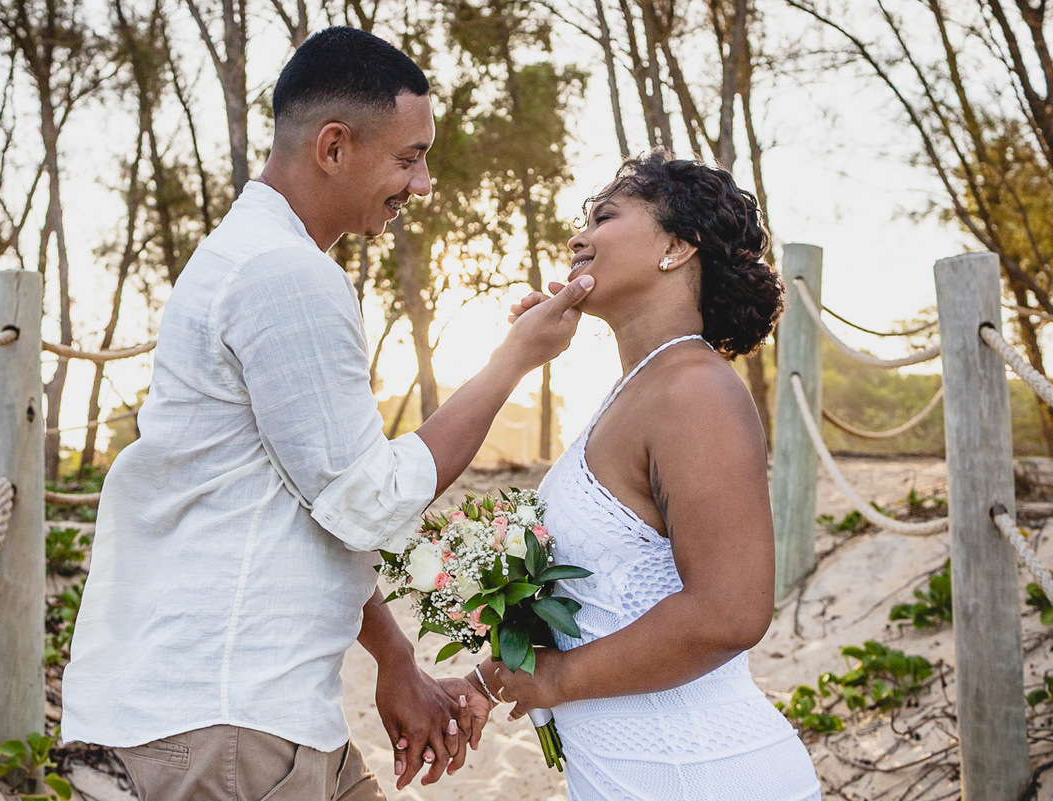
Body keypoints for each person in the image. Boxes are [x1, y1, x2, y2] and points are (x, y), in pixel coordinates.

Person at [61, 26, 594, 801]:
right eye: (410, 157)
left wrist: (395, 656)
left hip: (261, 710)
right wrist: (514, 358)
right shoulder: (284, 274)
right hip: (227, 719)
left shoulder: (253, 256)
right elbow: (369, 498)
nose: (422, 184)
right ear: (334, 147)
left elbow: (309, 500)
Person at [479, 152, 822, 800]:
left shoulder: (694, 391)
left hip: (703, 774)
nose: (578, 237)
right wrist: (486, 678)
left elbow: (730, 612)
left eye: (604, 217)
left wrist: (558, 680)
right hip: (636, 775)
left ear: (675, 247)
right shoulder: (635, 391)